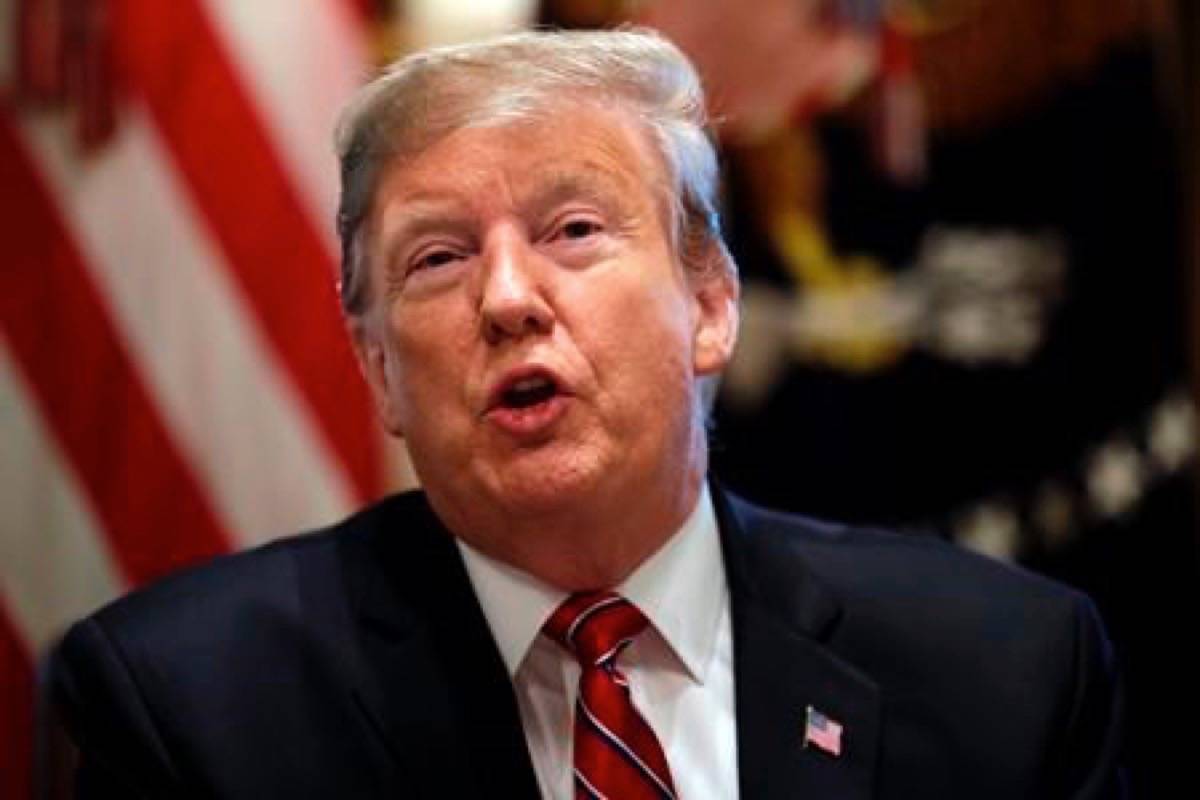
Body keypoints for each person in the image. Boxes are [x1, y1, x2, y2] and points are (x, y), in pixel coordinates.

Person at [50, 28, 1124, 798]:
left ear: (710, 303)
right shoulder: (186, 706)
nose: (508, 297)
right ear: (378, 367)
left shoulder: (1005, 668)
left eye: (571, 229)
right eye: (438, 257)